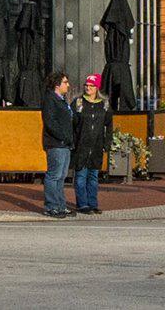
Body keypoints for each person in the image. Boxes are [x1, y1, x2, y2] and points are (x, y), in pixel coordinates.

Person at [71, 72, 112, 214]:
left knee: (93, 176)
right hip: (81, 145)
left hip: (96, 146)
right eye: (86, 85)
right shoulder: (78, 103)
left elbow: (109, 125)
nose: (88, 88)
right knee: (81, 175)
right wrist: (73, 142)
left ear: (97, 88)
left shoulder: (104, 104)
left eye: (91, 86)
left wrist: (107, 143)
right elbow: (72, 124)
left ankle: (93, 203)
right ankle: (82, 204)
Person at [41, 70, 74, 218]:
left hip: (65, 144)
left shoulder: (61, 100)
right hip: (56, 143)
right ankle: (51, 206)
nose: (68, 85)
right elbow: (50, 122)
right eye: (65, 82)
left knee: (61, 176)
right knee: (54, 175)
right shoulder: (50, 99)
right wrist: (62, 137)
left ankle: (61, 205)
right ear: (57, 85)